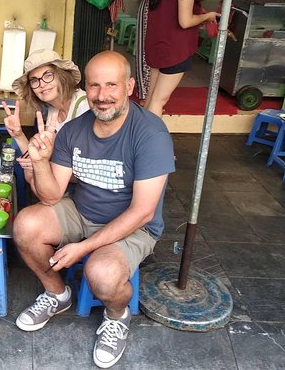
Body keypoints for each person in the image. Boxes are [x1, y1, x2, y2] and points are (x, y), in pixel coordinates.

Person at [12, 50, 174, 368]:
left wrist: (83, 248)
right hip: (82, 211)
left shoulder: (150, 133)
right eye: (95, 86)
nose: (102, 96)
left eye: (111, 85)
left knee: (100, 273)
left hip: (134, 226)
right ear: (87, 87)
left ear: (128, 87)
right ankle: (57, 295)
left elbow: (143, 211)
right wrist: (41, 163)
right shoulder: (73, 131)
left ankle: (117, 315)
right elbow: (51, 195)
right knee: (26, 225)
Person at [144, 0, 220, 117]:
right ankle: (151, 145)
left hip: (157, 44)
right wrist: (208, 16)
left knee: (151, 98)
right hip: (174, 48)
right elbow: (185, 21)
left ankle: (139, 142)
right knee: (158, 101)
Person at [1, 49, 89, 185]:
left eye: (48, 75)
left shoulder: (84, 107)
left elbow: (87, 170)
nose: (42, 84)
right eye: (34, 80)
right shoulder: (52, 110)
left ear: (62, 76)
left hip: (84, 191)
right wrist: (18, 135)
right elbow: (37, 155)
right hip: (60, 186)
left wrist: (43, 165)